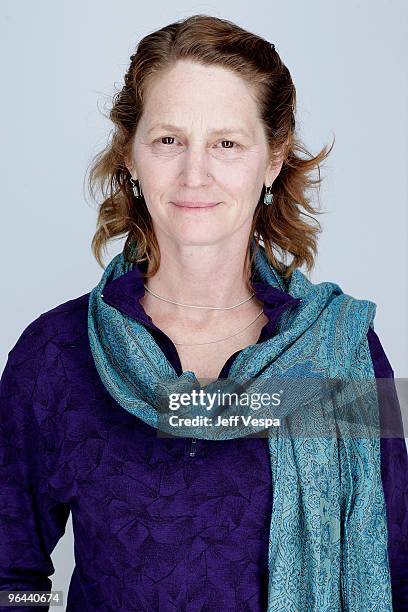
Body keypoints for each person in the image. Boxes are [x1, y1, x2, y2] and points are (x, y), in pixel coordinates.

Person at [1, 13, 407, 612]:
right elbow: (11, 574)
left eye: (227, 143)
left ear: (272, 159)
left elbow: (395, 565)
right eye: (169, 139)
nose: (196, 173)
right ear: (131, 156)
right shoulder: (59, 354)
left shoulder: (338, 351)